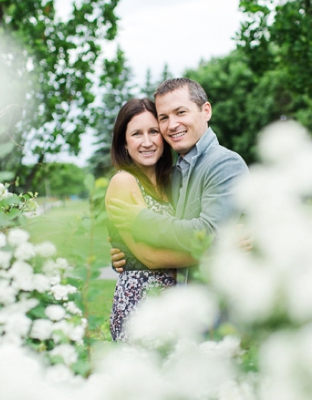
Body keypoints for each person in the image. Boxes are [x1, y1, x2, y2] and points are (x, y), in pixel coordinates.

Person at [107, 78, 249, 283]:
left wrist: (140, 220)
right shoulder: (174, 175)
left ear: (206, 111)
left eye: (181, 112)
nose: (172, 125)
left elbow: (208, 233)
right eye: (163, 118)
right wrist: (128, 255)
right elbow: (157, 251)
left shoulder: (225, 163)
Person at [105, 98, 197, 341]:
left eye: (153, 132)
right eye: (136, 133)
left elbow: (188, 231)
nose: (147, 142)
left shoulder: (174, 183)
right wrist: (216, 252)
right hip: (140, 305)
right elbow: (150, 256)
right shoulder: (123, 182)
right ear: (124, 143)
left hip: (176, 306)